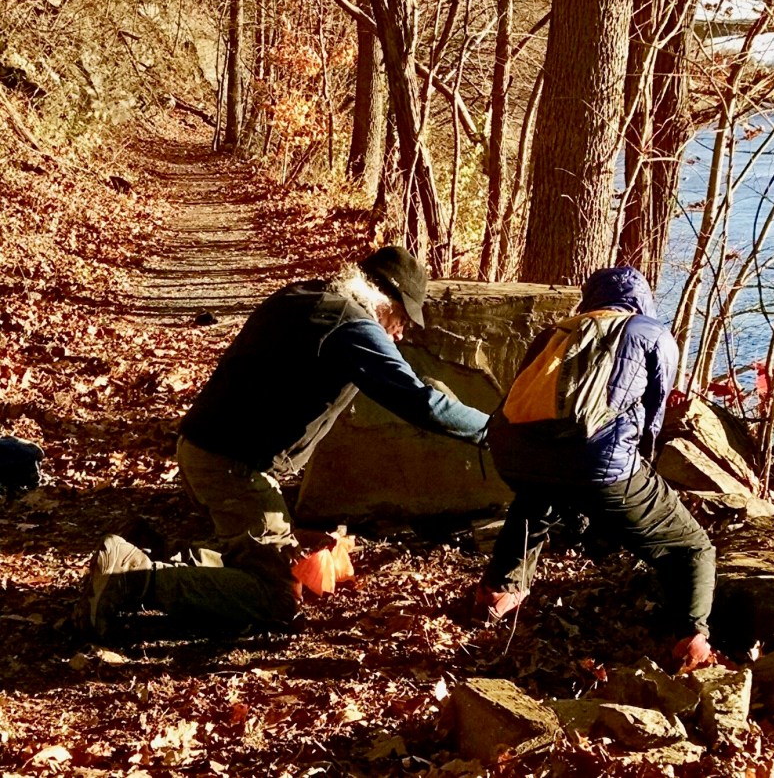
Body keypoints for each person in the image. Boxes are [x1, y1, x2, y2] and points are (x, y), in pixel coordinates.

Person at [75, 246, 490, 639]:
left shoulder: (307, 295)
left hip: (205, 448)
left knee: (263, 550)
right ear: (385, 301)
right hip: (232, 466)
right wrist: (496, 431)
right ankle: (134, 577)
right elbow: (420, 403)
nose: (398, 335)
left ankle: (149, 546)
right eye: (401, 320)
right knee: (274, 599)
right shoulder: (354, 327)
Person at [475, 265, 717, 670]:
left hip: (516, 456)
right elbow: (652, 420)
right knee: (691, 546)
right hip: (598, 464)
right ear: (641, 300)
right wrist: (641, 473)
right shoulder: (652, 332)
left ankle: (497, 593)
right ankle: (692, 641)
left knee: (536, 500)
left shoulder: (556, 331)